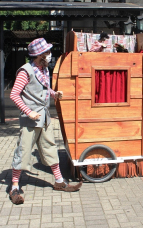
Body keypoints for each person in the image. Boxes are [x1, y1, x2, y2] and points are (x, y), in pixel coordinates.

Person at [9, 38, 82, 205]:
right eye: (47, 52)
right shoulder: (25, 71)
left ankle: (59, 181)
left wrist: (54, 93)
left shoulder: (42, 69)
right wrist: (28, 112)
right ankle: (14, 187)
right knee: (23, 151)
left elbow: (42, 88)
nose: (50, 55)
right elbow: (14, 94)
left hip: (44, 118)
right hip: (30, 121)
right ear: (39, 55)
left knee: (50, 147)